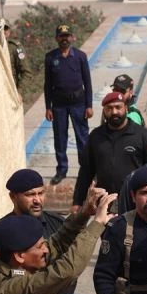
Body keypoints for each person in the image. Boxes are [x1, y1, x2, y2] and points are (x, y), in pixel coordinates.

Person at [73, 92, 147, 210]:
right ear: (104, 111)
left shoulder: (142, 135)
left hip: (134, 204)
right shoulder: (96, 136)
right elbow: (86, 171)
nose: (114, 112)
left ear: (126, 108)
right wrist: (77, 201)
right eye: (109, 108)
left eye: (118, 107)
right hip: (105, 205)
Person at [44, 24, 93, 185]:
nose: (64, 39)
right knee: (60, 138)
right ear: (57, 38)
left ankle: (86, 169)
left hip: (78, 102)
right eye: (61, 36)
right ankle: (61, 170)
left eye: (67, 36)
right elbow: (48, 84)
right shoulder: (51, 57)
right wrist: (48, 107)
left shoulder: (80, 56)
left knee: (82, 137)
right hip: (59, 104)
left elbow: (87, 82)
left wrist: (89, 105)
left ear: (72, 37)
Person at [0, 18, 32, 92]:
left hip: (11, 91)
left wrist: (19, 92)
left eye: (5, 28)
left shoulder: (15, 47)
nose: (3, 31)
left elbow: (26, 73)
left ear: (9, 31)